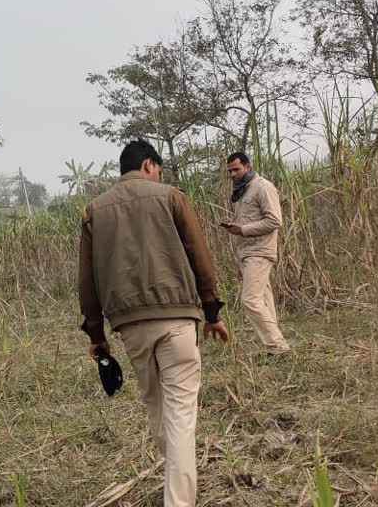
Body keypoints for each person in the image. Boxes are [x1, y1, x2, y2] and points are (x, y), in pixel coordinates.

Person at [78, 138, 229, 507]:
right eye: (158, 170)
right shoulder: (171, 197)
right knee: (179, 416)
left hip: (129, 327)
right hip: (177, 319)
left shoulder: (94, 211)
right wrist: (212, 312)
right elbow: (199, 254)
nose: (158, 176)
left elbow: (87, 279)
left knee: (157, 408)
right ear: (149, 165)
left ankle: (177, 478)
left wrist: (96, 334)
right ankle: (179, 497)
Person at [223, 152, 290, 362]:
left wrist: (243, 229)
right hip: (248, 253)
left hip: (260, 251)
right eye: (230, 171)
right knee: (263, 301)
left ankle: (278, 346)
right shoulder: (241, 191)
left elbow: (275, 220)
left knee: (250, 301)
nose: (233, 174)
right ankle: (276, 350)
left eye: (236, 169)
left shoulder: (263, 187)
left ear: (247, 166)